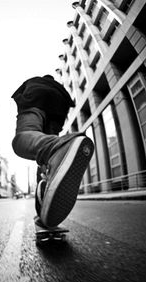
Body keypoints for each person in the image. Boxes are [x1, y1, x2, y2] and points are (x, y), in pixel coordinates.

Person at [11, 75, 94, 229]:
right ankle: (44, 205)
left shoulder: (35, 82)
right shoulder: (56, 87)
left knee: (22, 140)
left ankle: (62, 146)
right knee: (47, 156)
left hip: (35, 99)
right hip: (59, 106)